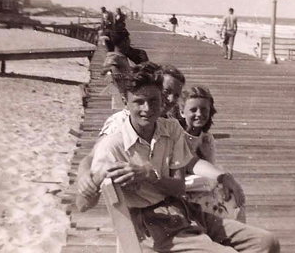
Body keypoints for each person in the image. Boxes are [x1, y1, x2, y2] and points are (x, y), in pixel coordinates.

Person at [86, 63, 280, 253]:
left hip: (182, 211)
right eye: (139, 101)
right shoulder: (116, 135)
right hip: (152, 228)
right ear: (125, 102)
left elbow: (181, 181)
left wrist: (220, 176)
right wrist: (86, 182)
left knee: (268, 243)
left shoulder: (169, 128)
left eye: (157, 100)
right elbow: (89, 175)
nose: (148, 108)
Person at [76, 65, 245, 220]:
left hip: (167, 194)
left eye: (176, 95)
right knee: (223, 208)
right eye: (166, 92)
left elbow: (190, 161)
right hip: (142, 205)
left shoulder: (168, 123)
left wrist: (222, 176)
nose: (170, 99)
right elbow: (93, 157)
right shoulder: (120, 121)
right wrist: (83, 175)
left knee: (230, 197)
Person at [179, 86, 246, 222]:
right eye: (193, 110)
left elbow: (210, 166)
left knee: (233, 198)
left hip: (203, 183)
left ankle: (238, 234)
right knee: (218, 208)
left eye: (204, 110)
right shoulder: (177, 135)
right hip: (184, 186)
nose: (199, 114)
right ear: (181, 112)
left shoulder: (207, 138)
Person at [102, 30, 131, 110]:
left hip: (124, 91)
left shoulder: (119, 56)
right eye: (128, 40)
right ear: (123, 42)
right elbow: (105, 69)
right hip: (120, 92)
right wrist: (113, 70)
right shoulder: (115, 57)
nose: (129, 42)